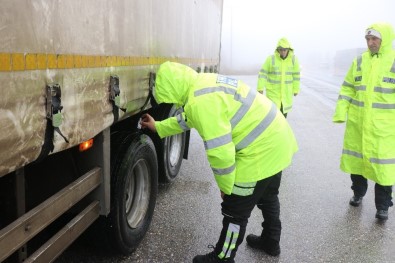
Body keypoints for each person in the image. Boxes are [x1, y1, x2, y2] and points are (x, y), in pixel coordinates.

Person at [140, 61, 298, 262]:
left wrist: (226, 188)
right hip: (277, 138)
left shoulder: (200, 103)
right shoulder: (202, 84)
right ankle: (271, 241)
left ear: (172, 89)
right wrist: (159, 127)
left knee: (235, 210)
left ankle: (223, 257)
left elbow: (221, 155)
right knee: (268, 196)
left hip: (260, 150)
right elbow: (188, 118)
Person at [333, 22, 395, 221]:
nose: (370, 42)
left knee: (384, 169)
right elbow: (348, 88)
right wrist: (341, 112)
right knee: (357, 163)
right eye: (368, 39)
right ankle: (358, 193)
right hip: (358, 126)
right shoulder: (359, 61)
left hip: (384, 129)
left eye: (374, 38)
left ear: (384, 39)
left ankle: (383, 206)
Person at [257, 37, 301, 118]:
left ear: (288, 49)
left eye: (285, 50)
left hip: (286, 94)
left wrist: (296, 89)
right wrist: (260, 88)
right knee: (272, 118)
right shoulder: (271, 59)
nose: (283, 52)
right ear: (278, 49)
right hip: (273, 94)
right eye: (281, 50)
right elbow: (263, 73)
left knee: (283, 119)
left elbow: (296, 76)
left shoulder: (294, 60)